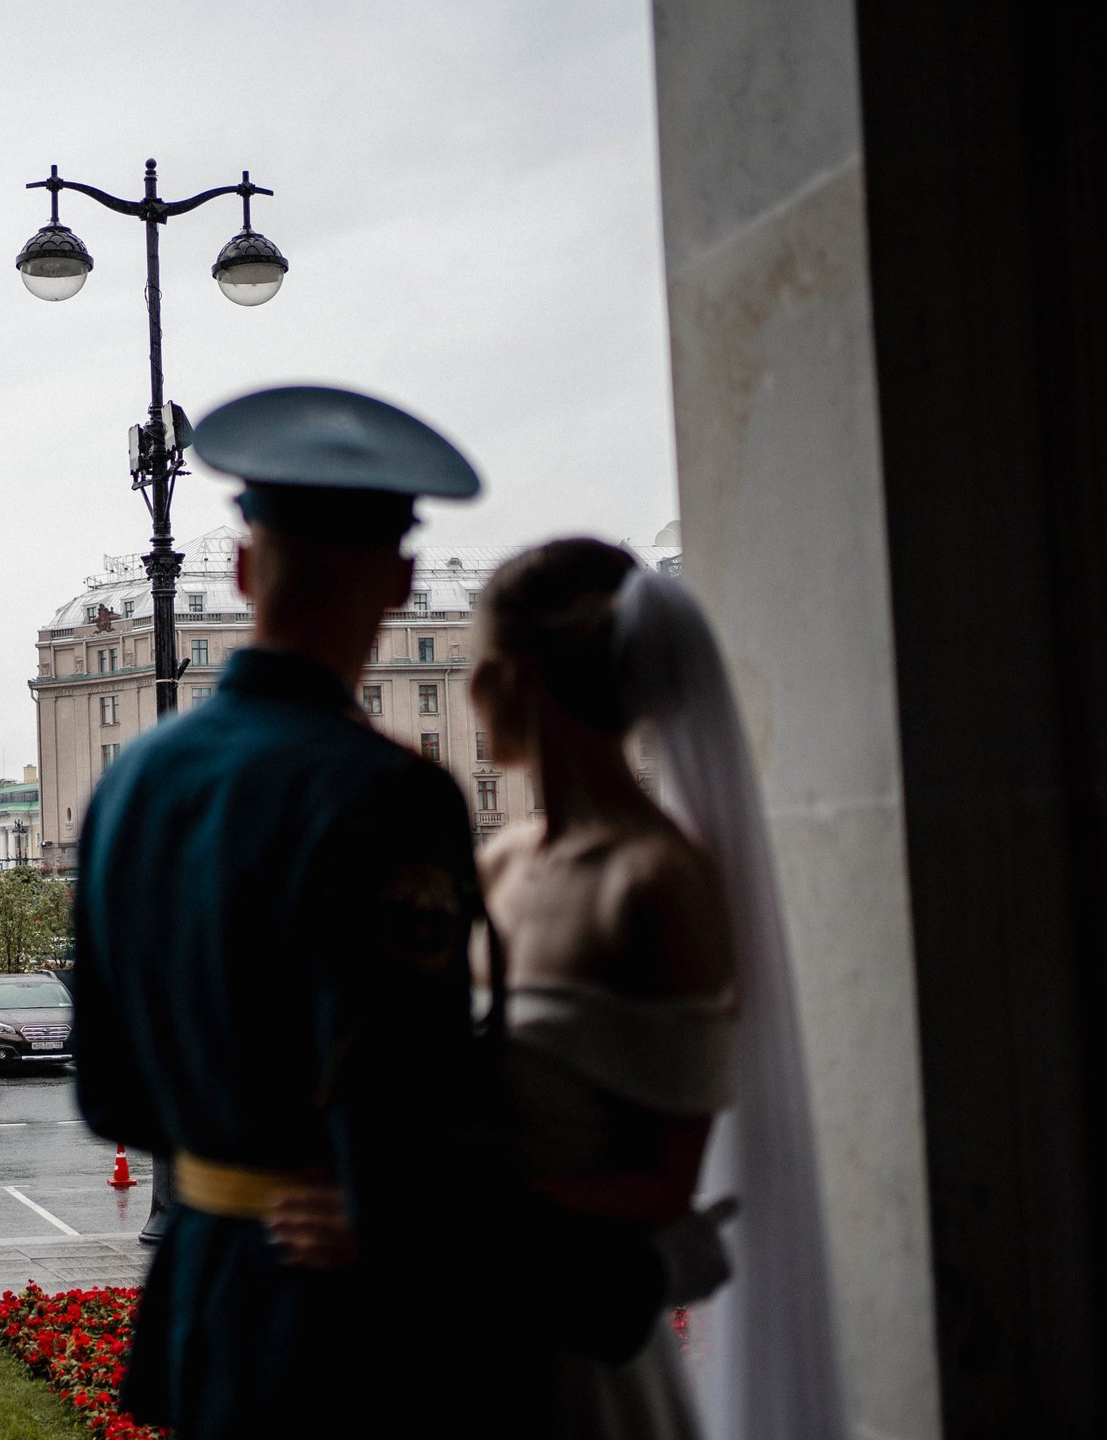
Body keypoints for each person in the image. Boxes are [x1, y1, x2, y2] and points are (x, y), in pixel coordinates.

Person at [74, 387, 721, 1439]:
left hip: (203, 1304)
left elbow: (107, 1092)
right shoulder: (389, 796)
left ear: (243, 573)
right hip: (357, 1321)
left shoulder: (128, 785)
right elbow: (407, 1091)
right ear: (404, 579)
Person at [265, 538, 847, 1438]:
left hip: (571, 1353)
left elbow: (664, 1184)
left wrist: (418, 1215)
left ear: (524, 679)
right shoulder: (494, 862)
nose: (465, 688)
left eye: (479, 663)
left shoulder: (657, 887)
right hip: (455, 1328)